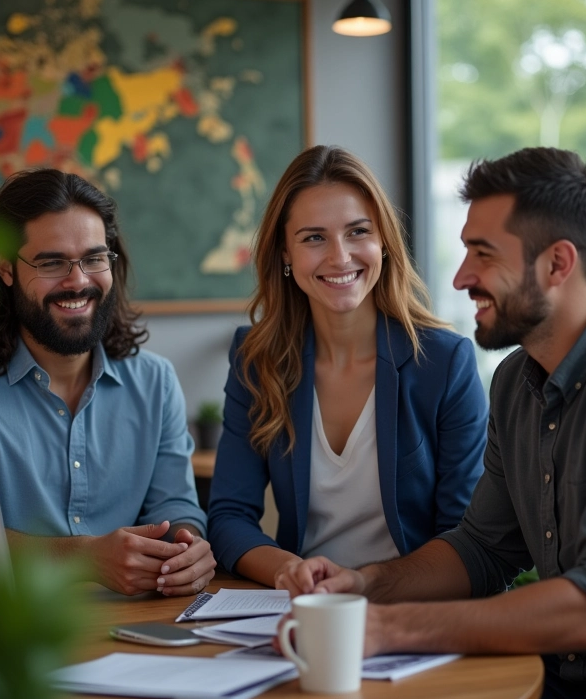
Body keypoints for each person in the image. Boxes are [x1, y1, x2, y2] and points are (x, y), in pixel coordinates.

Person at [278, 147, 586, 699]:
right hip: (549, 682)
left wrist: (389, 630)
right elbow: (481, 548)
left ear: (557, 265)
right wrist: (365, 584)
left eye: (482, 254)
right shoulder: (517, 378)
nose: (461, 276)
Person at [207, 145, 487, 588]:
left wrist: (369, 584)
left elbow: (466, 536)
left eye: (358, 232)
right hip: (305, 607)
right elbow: (228, 517)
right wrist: (287, 570)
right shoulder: (256, 359)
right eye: (314, 238)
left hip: (413, 607)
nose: (339, 257)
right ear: (285, 252)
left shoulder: (445, 362)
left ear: (383, 243)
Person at [0, 168, 216, 597]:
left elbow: (176, 504)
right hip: (5, 633)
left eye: (94, 258)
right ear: (5, 268)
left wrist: (187, 546)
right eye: (52, 262)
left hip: (134, 624)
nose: (78, 281)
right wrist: (84, 558)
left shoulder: (155, 381)